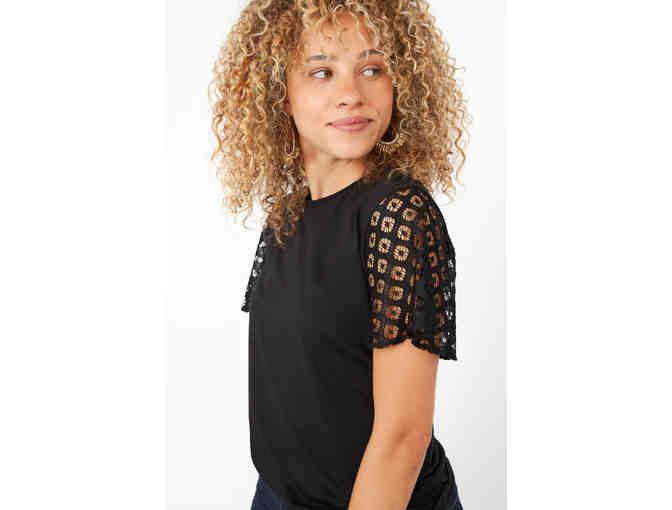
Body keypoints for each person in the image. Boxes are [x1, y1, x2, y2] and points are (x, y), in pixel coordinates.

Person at [208, 1, 471, 509]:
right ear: (281, 93)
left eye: (372, 70)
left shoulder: (397, 215)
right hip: (277, 494)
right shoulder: (287, 215)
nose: (351, 94)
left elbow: (402, 437)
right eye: (322, 72)